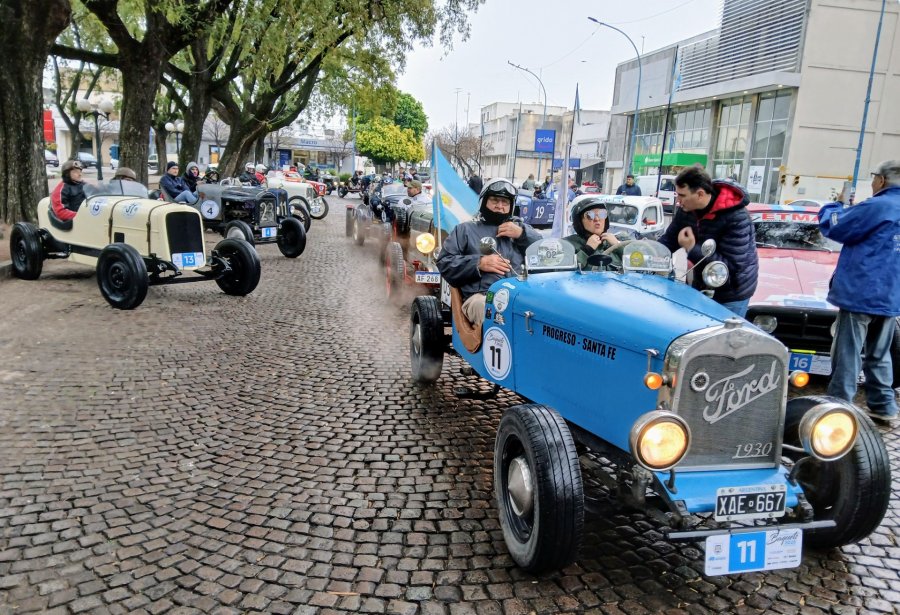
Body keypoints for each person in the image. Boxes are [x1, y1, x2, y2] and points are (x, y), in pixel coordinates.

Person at [818, 160, 900, 423]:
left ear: (883, 180)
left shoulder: (878, 205)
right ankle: (883, 406)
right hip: (890, 295)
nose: (873, 182)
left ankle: (839, 407)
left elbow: (836, 226)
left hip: (861, 292)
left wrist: (837, 203)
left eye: (875, 177)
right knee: (879, 353)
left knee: (848, 354)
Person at [437, 178, 542, 326]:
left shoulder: (521, 229)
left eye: (505, 202)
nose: (500, 206)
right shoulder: (465, 230)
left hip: (518, 295)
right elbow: (444, 263)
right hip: (480, 297)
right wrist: (478, 263)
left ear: (511, 205)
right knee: (493, 312)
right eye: (494, 200)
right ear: (484, 201)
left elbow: (544, 252)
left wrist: (522, 234)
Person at [658, 165, 758, 316]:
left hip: (731, 293)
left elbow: (730, 268)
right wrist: (644, 252)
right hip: (700, 285)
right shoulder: (686, 211)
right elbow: (668, 241)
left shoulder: (736, 217)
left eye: (682, 195)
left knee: (726, 339)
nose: (678, 201)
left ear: (700, 194)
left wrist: (692, 248)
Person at [564, 199, 622, 270]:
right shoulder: (567, 245)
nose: (597, 219)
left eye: (602, 214)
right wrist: (586, 250)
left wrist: (618, 245)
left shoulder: (619, 240)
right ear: (580, 222)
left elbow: (636, 262)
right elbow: (561, 271)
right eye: (589, 215)